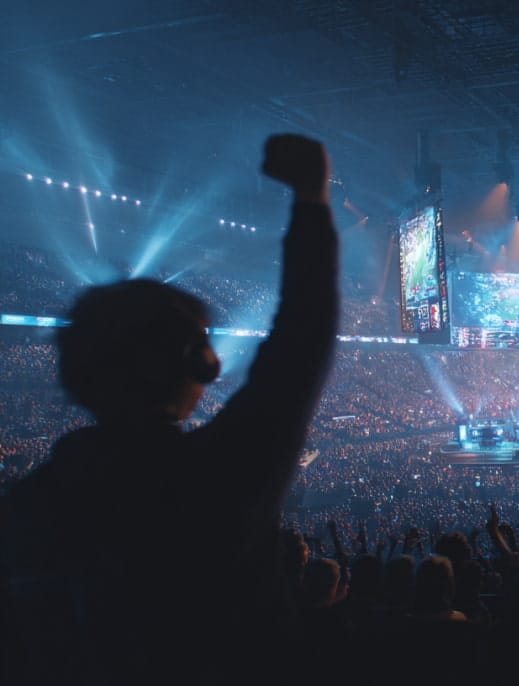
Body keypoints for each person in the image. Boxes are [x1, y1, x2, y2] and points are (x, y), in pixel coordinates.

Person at [0, 134, 339, 684]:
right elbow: (303, 340)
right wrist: (311, 198)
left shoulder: (24, 507)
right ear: (199, 363)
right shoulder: (218, 474)